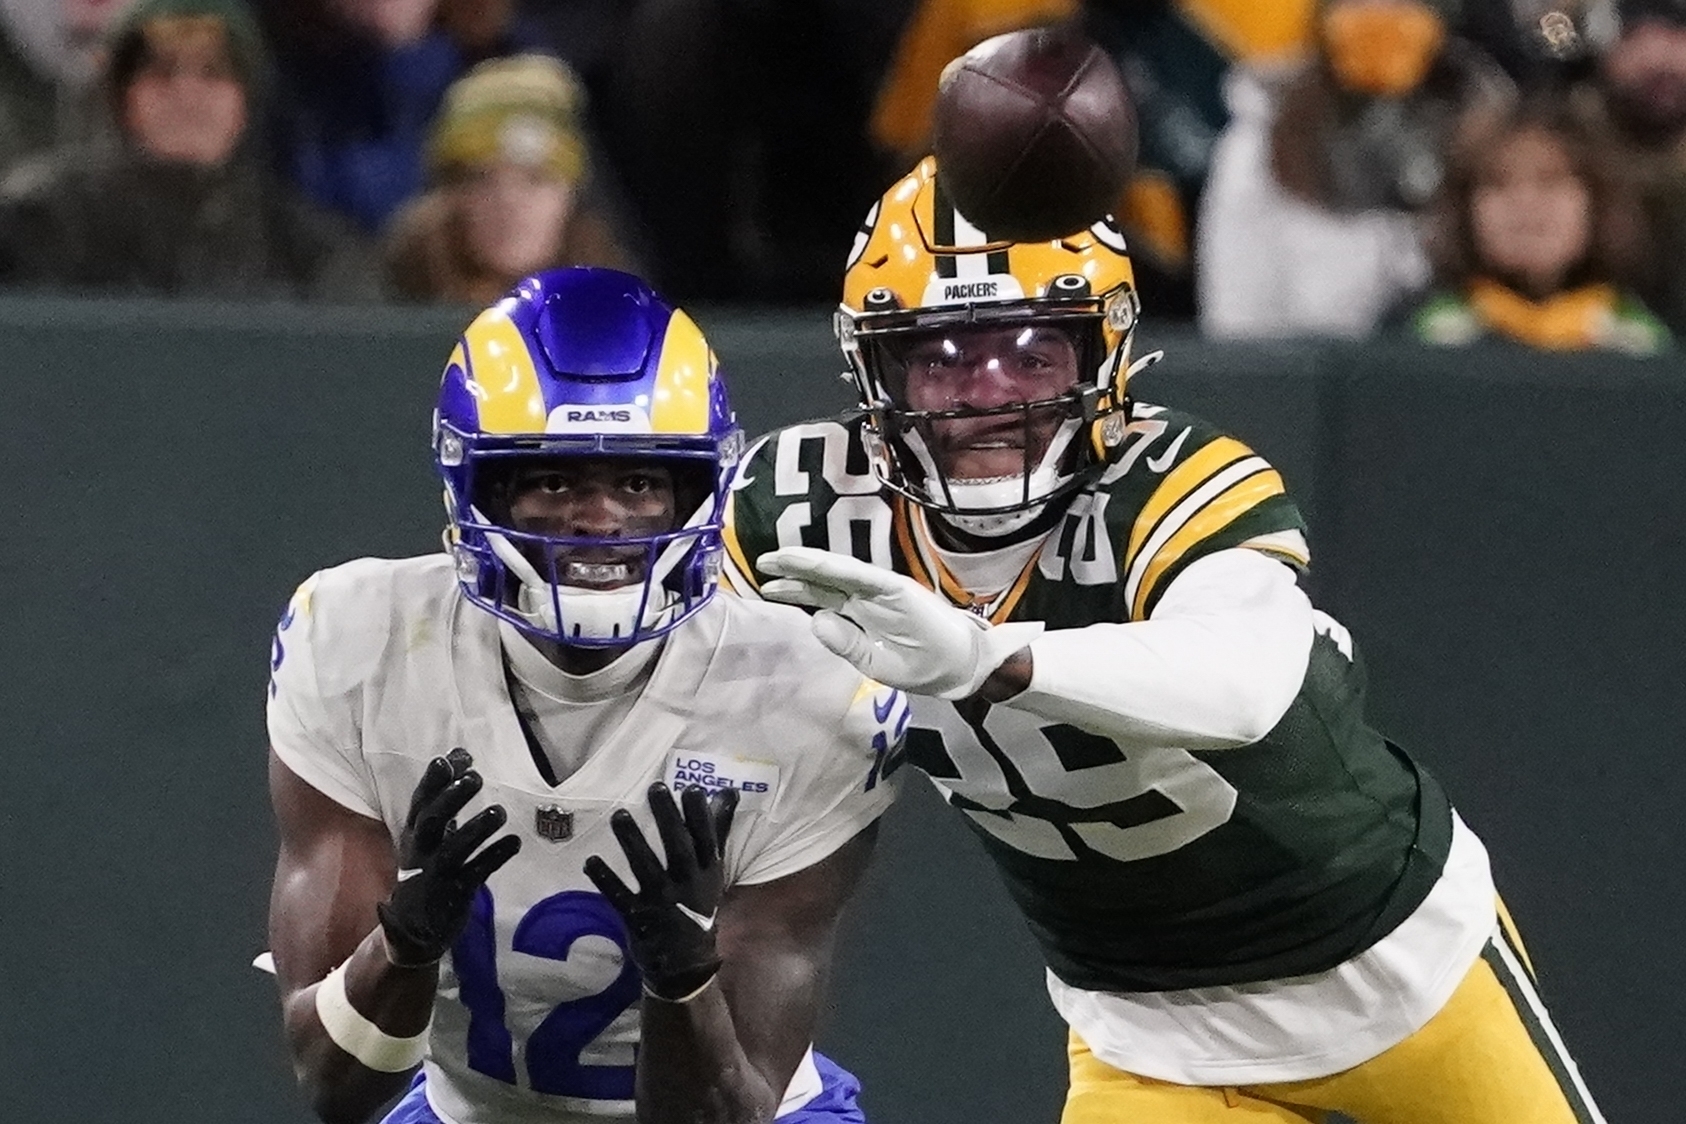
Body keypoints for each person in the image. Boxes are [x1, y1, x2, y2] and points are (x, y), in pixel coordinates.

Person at [720, 156, 1608, 1123]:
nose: (988, 395)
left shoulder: (1169, 477)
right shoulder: (802, 504)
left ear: (1103, 360)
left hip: (1394, 967)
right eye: (941, 357)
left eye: (1032, 354)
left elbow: (1246, 686)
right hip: (1148, 1034)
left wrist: (992, 657)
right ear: (874, 367)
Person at [263, 267, 906, 1124]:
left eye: (640, 484)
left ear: (697, 490)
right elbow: (335, 1089)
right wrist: (406, 943)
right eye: (554, 482)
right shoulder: (356, 639)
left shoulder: (813, 688)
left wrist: (680, 974)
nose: (598, 521)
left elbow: (735, 1111)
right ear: (476, 485)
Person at [0, 0, 378, 301]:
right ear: (119, 98)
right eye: (161, 71)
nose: (186, 92)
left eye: (212, 72)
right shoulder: (38, 224)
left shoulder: (311, 254)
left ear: (246, 102)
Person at [1197, 0, 1512, 339]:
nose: (1380, 13)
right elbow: (1235, 317)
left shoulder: (1490, 117)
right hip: (1309, 369)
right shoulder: (1262, 139)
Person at [1407, 93, 1669, 353]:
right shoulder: (1428, 339)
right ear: (1463, 210)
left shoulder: (1638, 345)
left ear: (1597, 203)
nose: (1525, 204)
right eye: (1498, 183)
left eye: (1550, 181)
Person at [384, 54, 641, 306]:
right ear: (447, 197)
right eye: (481, 178)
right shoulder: (383, 316)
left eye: (535, 179)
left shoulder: (625, 321)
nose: (509, 201)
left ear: (572, 194)